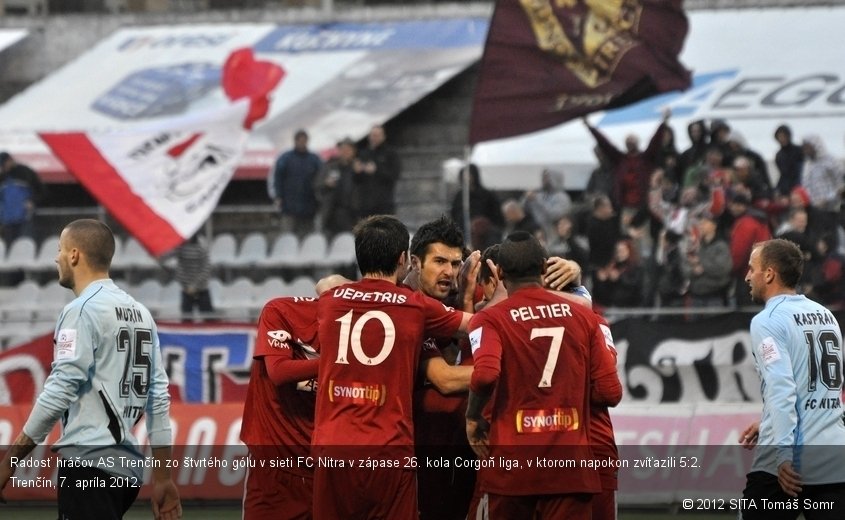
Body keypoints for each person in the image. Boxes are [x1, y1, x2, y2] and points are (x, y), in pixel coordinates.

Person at [0, 219, 180, 519]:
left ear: (74, 255)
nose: (55, 258)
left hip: (90, 464)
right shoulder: (141, 313)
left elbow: (60, 389)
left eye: (59, 249)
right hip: (127, 471)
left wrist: (10, 460)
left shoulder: (81, 310)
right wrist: (163, 477)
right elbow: (158, 398)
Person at [311, 215, 471, 520]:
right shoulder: (414, 307)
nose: (449, 272)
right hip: (389, 450)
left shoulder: (332, 299)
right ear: (406, 260)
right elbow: (473, 332)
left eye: (455, 264)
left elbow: (326, 284)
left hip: (332, 447)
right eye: (439, 261)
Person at [465, 232, 622, 519]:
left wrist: (473, 416)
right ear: (542, 268)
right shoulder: (587, 317)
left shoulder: (489, 318)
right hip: (571, 468)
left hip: (512, 469)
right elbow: (611, 392)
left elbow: (486, 375)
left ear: (499, 272)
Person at [738, 239, 845, 520]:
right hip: (833, 457)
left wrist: (784, 454)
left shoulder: (767, 320)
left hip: (784, 463)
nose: (747, 276)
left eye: (752, 269)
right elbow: (823, 388)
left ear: (769, 274)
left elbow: (781, 388)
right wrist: (768, 420)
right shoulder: (826, 316)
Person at [239, 275, 346, 520]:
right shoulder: (282, 311)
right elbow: (278, 370)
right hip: (272, 469)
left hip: (323, 469)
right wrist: (339, 362)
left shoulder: (368, 341)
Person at [268, 129, 323, 237]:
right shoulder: (285, 158)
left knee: (307, 239)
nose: (302, 143)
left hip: (309, 208)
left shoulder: (315, 159)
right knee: (287, 238)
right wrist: (278, 196)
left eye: (304, 141)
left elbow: (321, 180)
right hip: (289, 208)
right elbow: (277, 178)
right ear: (295, 141)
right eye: (300, 140)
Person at [353, 125, 401, 218]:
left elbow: (395, 175)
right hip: (365, 204)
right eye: (373, 135)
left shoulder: (391, 153)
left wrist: (377, 170)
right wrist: (357, 172)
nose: (375, 138)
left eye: (377, 135)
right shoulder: (363, 153)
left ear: (383, 136)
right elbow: (356, 180)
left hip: (384, 204)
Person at [450, 163, 505, 239]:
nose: (467, 178)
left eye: (469, 175)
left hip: (484, 234)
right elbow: (455, 213)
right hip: (463, 232)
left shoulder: (487, 195)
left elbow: (495, 214)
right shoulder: (460, 196)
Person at [0, 151, 44, 244]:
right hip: (7, 220)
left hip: (25, 219)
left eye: (3, 165)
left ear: (9, 161)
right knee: (9, 247)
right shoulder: (2, 177)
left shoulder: (25, 172)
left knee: (25, 244)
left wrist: (32, 201)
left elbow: (42, 191)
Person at [318, 137, 358, 237]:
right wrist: (326, 184)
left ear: (353, 152)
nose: (345, 152)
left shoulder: (357, 168)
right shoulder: (330, 166)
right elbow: (317, 185)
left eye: (348, 150)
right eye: (343, 149)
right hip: (332, 213)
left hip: (352, 213)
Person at [174, 233, 215, 321]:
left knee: (209, 319)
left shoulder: (201, 249)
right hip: (186, 289)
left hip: (201, 289)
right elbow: (178, 266)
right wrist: (187, 285)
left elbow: (206, 269)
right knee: (186, 319)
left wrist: (194, 286)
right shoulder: (181, 249)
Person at [522, 168, 572, 240]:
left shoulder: (563, 197)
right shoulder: (540, 194)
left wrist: (537, 199)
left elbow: (555, 215)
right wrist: (527, 198)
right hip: (536, 232)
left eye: (546, 177)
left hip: (553, 233)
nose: (544, 179)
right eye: (543, 177)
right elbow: (525, 210)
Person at [773, 125, 804, 198]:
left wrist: (796, 188)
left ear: (788, 136)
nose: (782, 139)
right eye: (779, 137)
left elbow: (799, 171)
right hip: (785, 186)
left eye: (784, 136)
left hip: (798, 184)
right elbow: (783, 174)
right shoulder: (779, 155)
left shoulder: (798, 150)